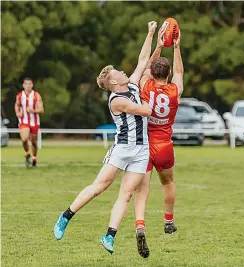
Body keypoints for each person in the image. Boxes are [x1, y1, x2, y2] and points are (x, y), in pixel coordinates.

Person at [53, 21, 157, 256]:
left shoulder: (130, 84)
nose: (122, 71)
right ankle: (66, 216)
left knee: (127, 194)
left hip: (142, 150)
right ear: (112, 82)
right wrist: (154, 95)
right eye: (117, 72)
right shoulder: (116, 100)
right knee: (100, 187)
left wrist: (150, 33)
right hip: (122, 149)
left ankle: (109, 235)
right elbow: (147, 111)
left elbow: (143, 61)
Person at [133, 28, 184, 257]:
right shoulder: (174, 91)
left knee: (141, 190)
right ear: (169, 73)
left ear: (152, 73)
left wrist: (159, 45)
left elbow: (143, 67)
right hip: (164, 143)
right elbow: (180, 74)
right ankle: (168, 221)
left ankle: (140, 225)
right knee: (168, 182)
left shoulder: (146, 85)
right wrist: (176, 47)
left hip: (144, 143)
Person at [14, 77, 44, 167]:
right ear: (23, 85)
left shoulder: (36, 95)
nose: (28, 86)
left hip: (34, 122)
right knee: (24, 139)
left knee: (34, 142)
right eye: (26, 84)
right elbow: (17, 104)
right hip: (24, 121)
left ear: (32, 85)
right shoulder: (20, 95)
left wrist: (33, 111)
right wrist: (17, 112)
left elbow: (41, 110)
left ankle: (34, 158)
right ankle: (27, 154)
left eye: (30, 84)